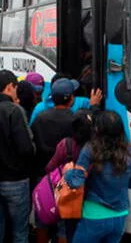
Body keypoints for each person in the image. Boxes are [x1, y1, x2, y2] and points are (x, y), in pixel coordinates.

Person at [64, 111, 131, 243]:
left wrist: (68, 172)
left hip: (93, 216)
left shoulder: (90, 149)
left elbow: (76, 182)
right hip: (120, 217)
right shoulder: (130, 151)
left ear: (97, 129)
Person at [44, 110, 94, 243]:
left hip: (68, 199)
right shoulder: (97, 148)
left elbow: (49, 168)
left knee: (65, 230)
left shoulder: (65, 145)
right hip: (90, 199)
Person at [0, 70, 35, 243]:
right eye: (15, 88)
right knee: (20, 233)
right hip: (15, 181)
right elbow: (26, 148)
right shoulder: (14, 111)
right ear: (9, 87)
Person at [30, 74, 102, 125]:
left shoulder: (39, 109)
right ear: (71, 99)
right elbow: (97, 125)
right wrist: (94, 106)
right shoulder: (82, 104)